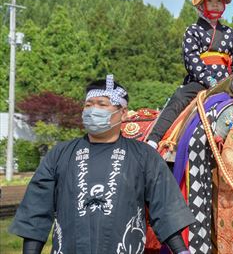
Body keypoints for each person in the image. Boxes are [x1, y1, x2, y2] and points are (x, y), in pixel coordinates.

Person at [10, 75, 195, 254]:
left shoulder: (144, 155)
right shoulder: (60, 154)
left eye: (102, 104)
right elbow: (36, 210)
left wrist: (181, 250)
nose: (93, 110)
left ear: (122, 113)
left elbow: (165, 207)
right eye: (88, 105)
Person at [146, 0, 233, 148]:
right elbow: (192, 59)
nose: (215, 4)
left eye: (219, 0)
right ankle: (154, 139)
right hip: (200, 82)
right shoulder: (192, 31)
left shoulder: (231, 34)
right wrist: (211, 81)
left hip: (228, 84)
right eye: (210, 0)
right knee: (179, 97)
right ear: (201, 4)